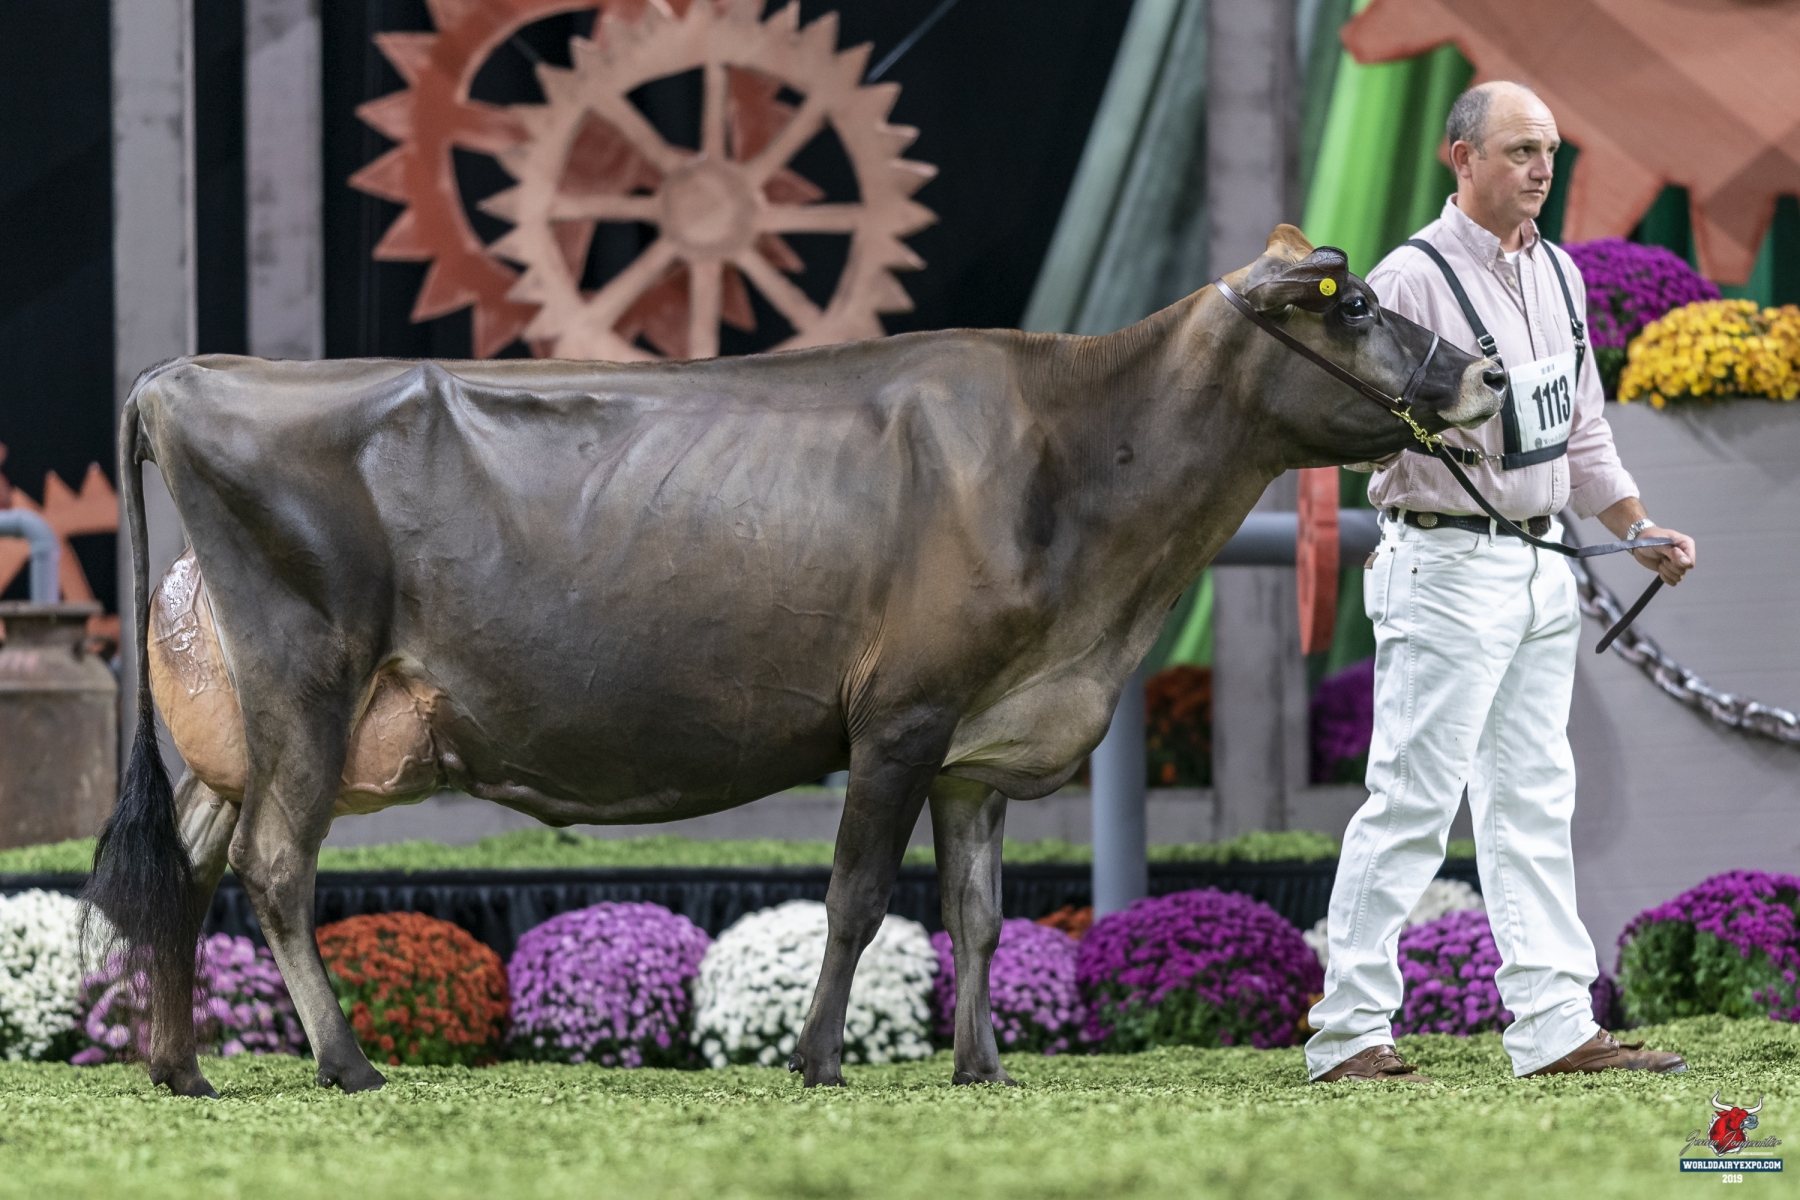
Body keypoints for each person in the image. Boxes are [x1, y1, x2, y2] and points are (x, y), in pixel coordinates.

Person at [1304, 81, 1697, 1084]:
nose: (1541, 169)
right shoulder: (1408, 279)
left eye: (1550, 151)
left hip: (1538, 563)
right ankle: (1347, 1035)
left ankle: (1556, 1027)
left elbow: (1583, 431)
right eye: (1521, 150)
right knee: (1411, 800)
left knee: (1533, 801)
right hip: (1442, 561)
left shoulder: (1559, 272)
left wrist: (1636, 527)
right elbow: (1350, 431)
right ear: (1462, 157)